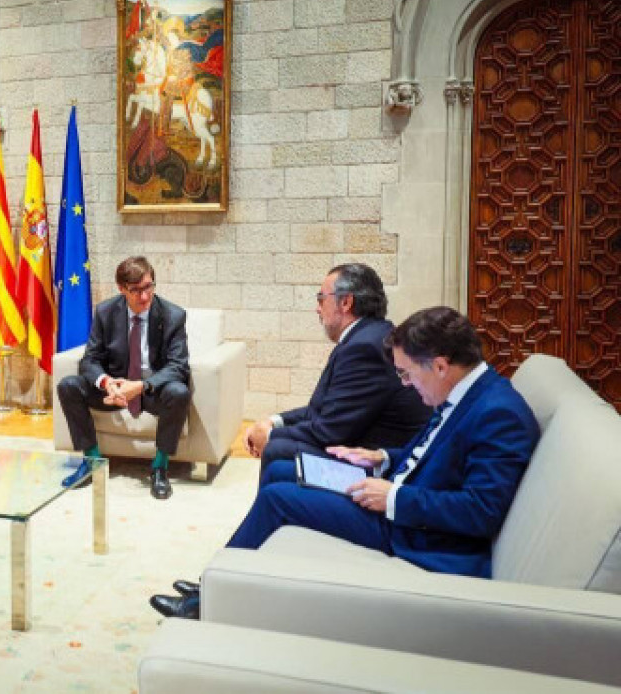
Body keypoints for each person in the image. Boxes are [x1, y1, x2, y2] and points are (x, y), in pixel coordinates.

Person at [150, 306, 540, 619]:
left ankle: (210, 598)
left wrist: (393, 497)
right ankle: (224, 578)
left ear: (439, 366)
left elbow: (481, 510)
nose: (406, 385)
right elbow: (431, 454)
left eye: (407, 375)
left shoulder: (497, 413)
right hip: (400, 499)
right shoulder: (465, 391)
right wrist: (383, 457)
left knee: (278, 498)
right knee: (284, 470)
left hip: (414, 531)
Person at [243, 263, 431, 472]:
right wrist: (274, 422)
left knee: (277, 448)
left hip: (380, 465)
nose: (317, 309)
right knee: (279, 447)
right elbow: (324, 410)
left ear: (346, 302)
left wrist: (269, 435)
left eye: (321, 299)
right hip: (362, 446)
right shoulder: (367, 336)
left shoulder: (364, 348)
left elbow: (329, 432)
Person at [57, 256, 190, 499]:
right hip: (115, 390)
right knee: (68, 386)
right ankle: (93, 461)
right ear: (121, 289)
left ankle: (159, 468)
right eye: (136, 290)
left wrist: (141, 386)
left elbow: (178, 366)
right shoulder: (105, 312)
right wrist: (107, 383)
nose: (145, 296)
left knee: (179, 392)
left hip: (151, 391)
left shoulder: (173, 316)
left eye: (148, 287)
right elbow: (90, 360)